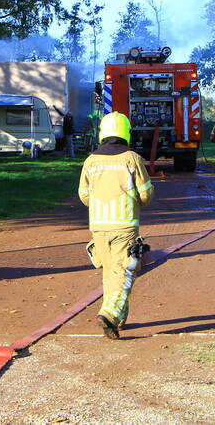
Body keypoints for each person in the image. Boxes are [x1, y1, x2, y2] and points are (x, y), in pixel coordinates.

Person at [77, 111, 154, 339]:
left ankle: (117, 319)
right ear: (126, 133)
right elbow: (146, 194)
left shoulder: (90, 160)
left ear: (102, 132)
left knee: (111, 274)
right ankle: (109, 313)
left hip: (98, 226)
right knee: (127, 271)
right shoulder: (132, 159)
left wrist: (100, 205)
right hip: (124, 225)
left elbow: (83, 194)